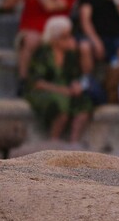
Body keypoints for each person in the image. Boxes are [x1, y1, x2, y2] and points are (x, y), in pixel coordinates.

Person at [1, 0, 79, 95]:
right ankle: (23, 82)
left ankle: (71, 83)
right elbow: (8, 5)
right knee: (32, 38)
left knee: (73, 44)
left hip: (55, 37)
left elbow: (50, 5)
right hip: (28, 33)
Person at [24, 16, 93, 145]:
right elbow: (37, 82)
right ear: (54, 38)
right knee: (61, 102)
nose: (70, 39)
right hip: (44, 90)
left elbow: (78, 75)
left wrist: (76, 85)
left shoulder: (71, 54)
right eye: (65, 36)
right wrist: (62, 90)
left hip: (65, 91)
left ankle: (74, 142)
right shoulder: (43, 53)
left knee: (84, 103)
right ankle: (53, 141)